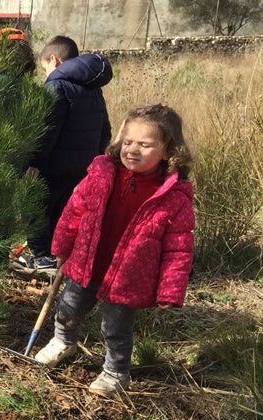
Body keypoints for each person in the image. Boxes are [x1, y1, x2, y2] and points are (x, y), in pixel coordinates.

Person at [33, 104, 194, 397]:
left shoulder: (173, 197)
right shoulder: (101, 175)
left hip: (128, 275)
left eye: (145, 145)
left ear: (168, 151)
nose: (133, 150)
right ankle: (62, 341)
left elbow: (178, 248)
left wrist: (170, 290)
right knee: (68, 307)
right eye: (128, 142)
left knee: (115, 327)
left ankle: (116, 371)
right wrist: (61, 246)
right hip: (88, 261)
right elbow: (74, 212)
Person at [13, 35, 113, 274]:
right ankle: (57, 256)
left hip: (52, 166)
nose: (45, 73)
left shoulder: (56, 86)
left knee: (35, 209)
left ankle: (43, 258)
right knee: (61, 212)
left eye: (45, 66)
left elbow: (46, 132)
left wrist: (33, 162)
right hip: (81, 167)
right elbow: (104, 131)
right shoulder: (93, 89)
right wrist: (95, 160)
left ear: (55, 60)